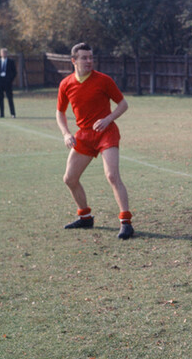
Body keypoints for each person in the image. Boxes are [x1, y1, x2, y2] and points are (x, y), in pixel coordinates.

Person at [56, 42, 134, 239]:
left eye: (90, 57)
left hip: (107, 133)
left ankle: (126, 222)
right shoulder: (66, 84)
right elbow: (60, 112)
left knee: (112, 176)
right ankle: (85, 217)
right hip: (84, 135)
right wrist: (66, 133)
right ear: (74, 61)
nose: (89, 61)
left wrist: (108, 119)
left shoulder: (104, 80)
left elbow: (123, 104)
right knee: (69, 179)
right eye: (84, 57)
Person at [0, 48, 17, 118]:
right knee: (0, 98)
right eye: (2, 53)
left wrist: (10, 80)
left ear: (7, 54)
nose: (3, 54)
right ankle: (1, 114)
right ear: (0, 54)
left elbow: (14, 72)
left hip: (7, 82)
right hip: (0, 82)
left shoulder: (11, 62)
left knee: (10, 98)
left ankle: (12, 113)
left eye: (5, 53)